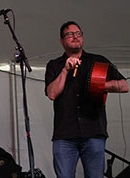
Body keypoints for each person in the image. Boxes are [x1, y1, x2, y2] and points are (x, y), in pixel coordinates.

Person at [45, 21, 129, 178]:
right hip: (65, 135)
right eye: (70, 34)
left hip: (93, 132)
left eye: (78, 33)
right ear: (62, 41)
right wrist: (65, 70)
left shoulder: (98, 61)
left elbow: (124, 86)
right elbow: (52, 94)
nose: (75, 37)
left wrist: (99, 85)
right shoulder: (54, 65)